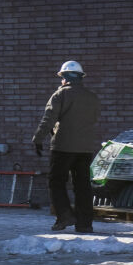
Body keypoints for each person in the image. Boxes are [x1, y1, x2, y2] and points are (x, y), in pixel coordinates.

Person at [33, 60, 100, 233]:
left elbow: (49, 119)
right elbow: (93, 120)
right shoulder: (92, 97)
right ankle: (85, 224)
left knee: (56, 181)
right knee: (83, 185)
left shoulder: (60, 95)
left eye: (62, 77)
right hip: (85, 149)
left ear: (66, 77)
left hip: (62, 147)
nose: (61, 80)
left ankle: (65, 215)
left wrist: (38, 138)